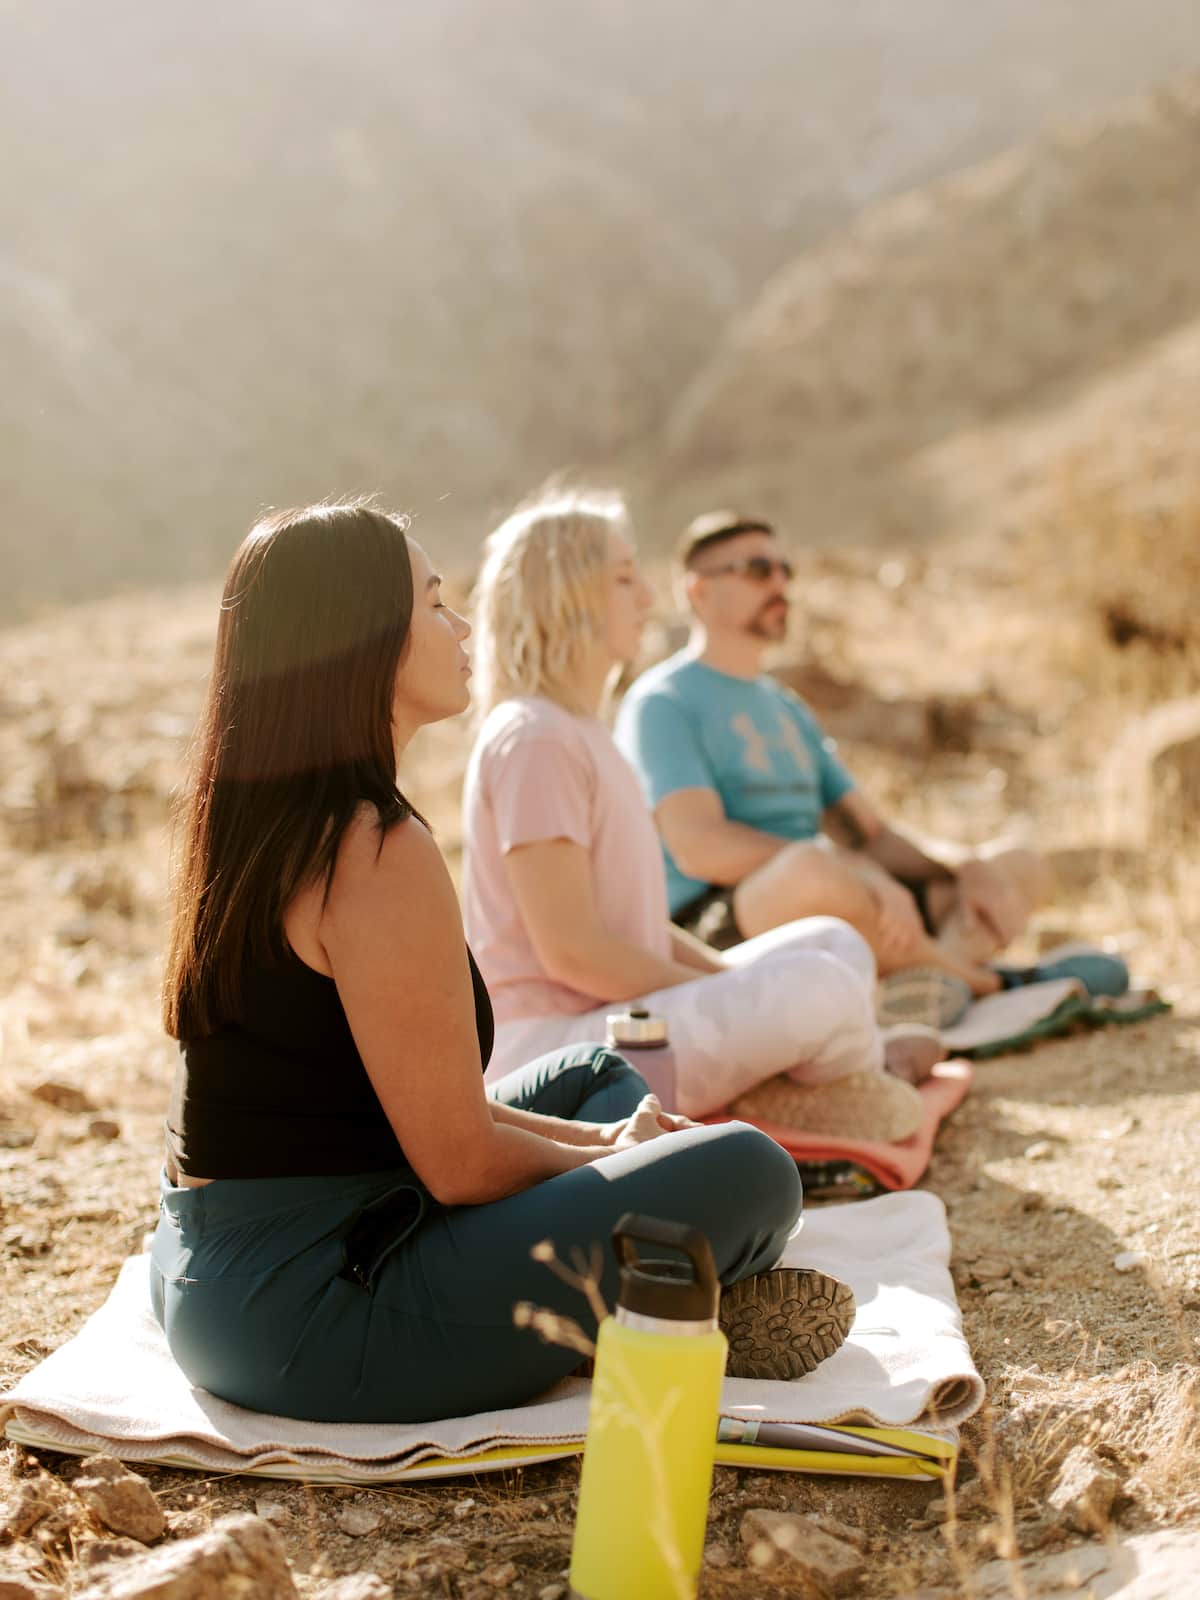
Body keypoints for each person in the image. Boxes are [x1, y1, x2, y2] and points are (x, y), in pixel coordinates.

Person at [151, 501, 856, 1427]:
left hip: (221, 1280)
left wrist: (614, 1140)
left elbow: (417, 1121)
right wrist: (626, 1153)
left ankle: (648, 1288)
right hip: (320, 1314)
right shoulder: (371, 849)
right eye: (435, 603)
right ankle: (669, 1296)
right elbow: (460, 1164)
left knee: (593, 1072)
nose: (461, 627)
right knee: (749, 1171)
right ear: (362, 640)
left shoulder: (263, 817)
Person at [462, 488, 930, 1131]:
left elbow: (638, 931)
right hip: (561, 1050)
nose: (648, 597)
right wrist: (725, 990)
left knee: (834, 945)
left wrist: (732, 975)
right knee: (820, 988)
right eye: (624, 578)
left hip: (621, 1015)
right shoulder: (534, 738)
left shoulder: (581, 731)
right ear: (567, 595)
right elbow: (573, 952)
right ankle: (850, 1079)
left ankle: (825, 1081)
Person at [614, 512, 1057, 1011]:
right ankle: (984, 984)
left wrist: (965, 866)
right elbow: (699, 848)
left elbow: (872, 836)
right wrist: (852, 869)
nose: (780, 584)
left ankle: (931, 983)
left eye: (785, 570)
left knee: (1018, 865)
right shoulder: (663, 702)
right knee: (812, 871)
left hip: (852, 899)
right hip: (729, 918)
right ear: (700, 592)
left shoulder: (786, 707)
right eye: (758, 570)